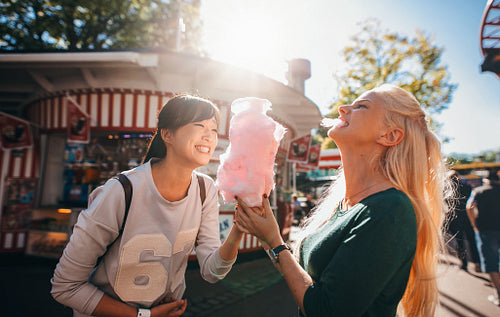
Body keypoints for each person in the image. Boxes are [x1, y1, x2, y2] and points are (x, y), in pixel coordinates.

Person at [235, 84, 449, 316]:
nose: (343, 108)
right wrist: (267, 238)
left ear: (390, 135)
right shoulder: (345, 204)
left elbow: (326, 311)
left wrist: (274, 241)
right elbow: (308, 277)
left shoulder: (390, 210)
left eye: (361, 106)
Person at [51, 95, 244, 317]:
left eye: (214, 129)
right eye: (199, 125)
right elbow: (65, 286)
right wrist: (144, 316)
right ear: (167, 134)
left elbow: (211, 272)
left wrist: (238, 229)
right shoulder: (120, 191)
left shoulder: (205, 189)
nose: (209, 136)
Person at [466, 170, 500, 306]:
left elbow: (469, 207)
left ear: (486, 180)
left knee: (490, 261)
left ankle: (498, 293)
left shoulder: (479, 191)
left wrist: (474, 224)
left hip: (485, 229)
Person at [445, 170, 480, 271]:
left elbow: (445, 204)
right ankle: (477, 262)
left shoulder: (446, 189)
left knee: (459, 242)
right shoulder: (467, 187)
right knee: (472, 240)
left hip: (454, 217)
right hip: (467, 217)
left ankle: (463, 262)